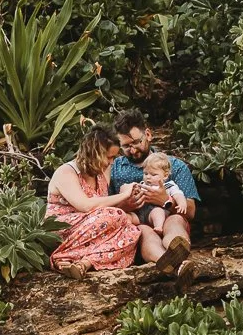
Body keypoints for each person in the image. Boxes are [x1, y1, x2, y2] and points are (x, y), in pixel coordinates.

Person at [105, 110, 197, 272]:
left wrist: (165, 201)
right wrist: (126, 204)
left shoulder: (175, 166)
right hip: (138, 226)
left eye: (136, 142)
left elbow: (190, 212)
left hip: (171, 220)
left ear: (147, 134)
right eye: (126, 146)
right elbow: (103, 209)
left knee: (175, 221)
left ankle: (177, 254)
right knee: (144, 231)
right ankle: (172, 265)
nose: (132, 150)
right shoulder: (114, 169)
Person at [45, 128, 146, 272]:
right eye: (108, 157)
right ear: (95, 154)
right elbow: (86, 206)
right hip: (63, 230)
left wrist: (128, 195)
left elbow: (101, 209)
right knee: (118, 215)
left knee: (132, 232)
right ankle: (62, 256)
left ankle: (84, 263)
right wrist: (124, 195)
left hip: (90, 227)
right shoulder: (66, 172)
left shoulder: (101, 172)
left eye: (113, 158)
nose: (111, 163)